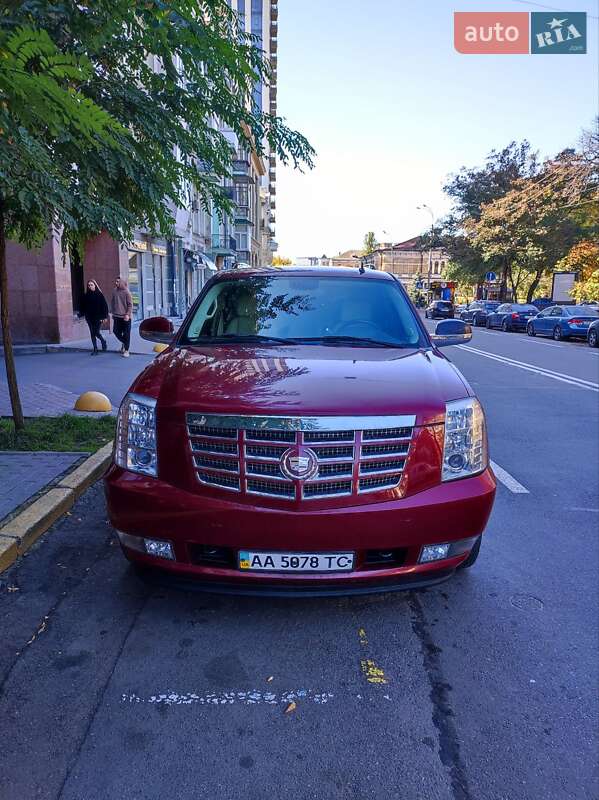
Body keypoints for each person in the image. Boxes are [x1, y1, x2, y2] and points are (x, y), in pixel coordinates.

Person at [79, 280, 109, 355]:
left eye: (91, 285)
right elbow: (83, 307)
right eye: (89, 285)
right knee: (92, 333)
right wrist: (81, 314)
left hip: (98, 317)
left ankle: (103, 340)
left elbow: (104, 306)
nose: (90, 286)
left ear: (95, 285)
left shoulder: (99, 295)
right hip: (89, 317)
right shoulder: (86, 296)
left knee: (96, 332)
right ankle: (95, 349)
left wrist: (104, 317)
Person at [110, 277, 133, 358]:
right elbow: (112, 302)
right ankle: (125, 342)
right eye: (116, 281)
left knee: (126, 334)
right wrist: (112, 312)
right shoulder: (114, 291)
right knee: (116, 331)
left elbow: (130, 305)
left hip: (126, 317)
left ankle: (126, 350)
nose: (116, 283)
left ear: (122, 282)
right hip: (116, 316)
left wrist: (127, 314)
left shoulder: (127, 292)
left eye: (118, 281)